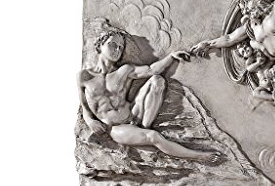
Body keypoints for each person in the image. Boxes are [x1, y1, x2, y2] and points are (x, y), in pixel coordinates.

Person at [78, 30, 218, 160]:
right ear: (100, 44)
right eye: (113, 44)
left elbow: (151, 70)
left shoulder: (124, 70)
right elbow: (84, 107)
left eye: (121, 47)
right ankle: (199, 156)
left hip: (135, 114)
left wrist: (171, 57)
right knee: (153, 136)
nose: (117, 50)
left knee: (157, 80)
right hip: (116, 127)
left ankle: (143, 131)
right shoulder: (84, 76)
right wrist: (90, 121)